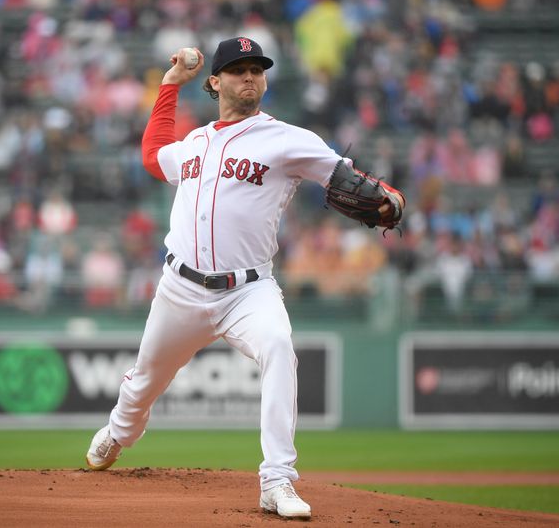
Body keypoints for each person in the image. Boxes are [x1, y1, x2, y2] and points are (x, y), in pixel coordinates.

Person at [84, 37, 404, 519]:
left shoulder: (287, 139)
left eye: (257, 69)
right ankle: (119, 434)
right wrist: (169, 85)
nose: (250, 76)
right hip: (181, 289)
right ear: (215, 82)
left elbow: (347, 176)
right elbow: (153, 157)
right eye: (237, 70)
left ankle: (277, 481)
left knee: (279, 346)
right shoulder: (195, 142)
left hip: (249, 291)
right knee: (143, 384)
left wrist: (390, 196)